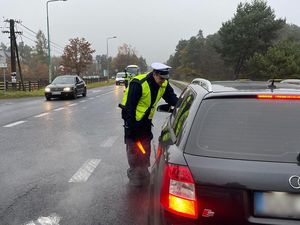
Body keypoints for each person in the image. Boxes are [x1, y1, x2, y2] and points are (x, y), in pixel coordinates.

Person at [119, 62, 178, 186]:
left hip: (146, 122)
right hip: (132, 121)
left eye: (165, 79)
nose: (163, 81)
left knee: (145, 147)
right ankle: (134, 172)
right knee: (133, 148)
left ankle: (143, 170)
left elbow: (172, 99)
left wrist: (184, 105)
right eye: (161, 78)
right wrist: (132, 129)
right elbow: (129, 108)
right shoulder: (139, 84)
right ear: (155, 74)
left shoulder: (164, 84)